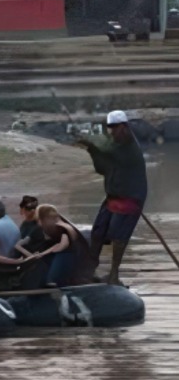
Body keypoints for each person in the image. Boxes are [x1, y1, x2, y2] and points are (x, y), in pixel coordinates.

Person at [76, 110, 148, 285]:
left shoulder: (130, 148)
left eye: (115, 128)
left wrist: (93, 145)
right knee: (98, 232)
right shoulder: (113, 145)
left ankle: (114, 275)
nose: (112, 132)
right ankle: (88, 271)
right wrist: (92, 150)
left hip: (130, 198)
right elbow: (102, 168)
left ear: (124, 127)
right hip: (113, 196)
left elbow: (112, 154)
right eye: (110, 128)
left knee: (118, 238)